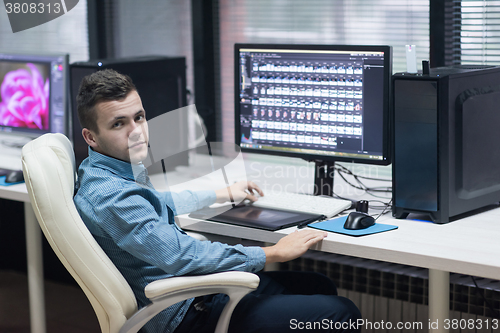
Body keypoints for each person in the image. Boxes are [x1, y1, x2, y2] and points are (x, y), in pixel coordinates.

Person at [73, 69, 361, 333]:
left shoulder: (105, 169)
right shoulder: (111, 195)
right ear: (91, 137)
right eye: (118, 124)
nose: (136, 131)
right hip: (187, 312)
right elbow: (183, 256)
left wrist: (220, 194)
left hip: (194, 291)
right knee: (341, 313)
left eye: (139, 117)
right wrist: (271, 253)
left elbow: (158, 200)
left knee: (318, 285)